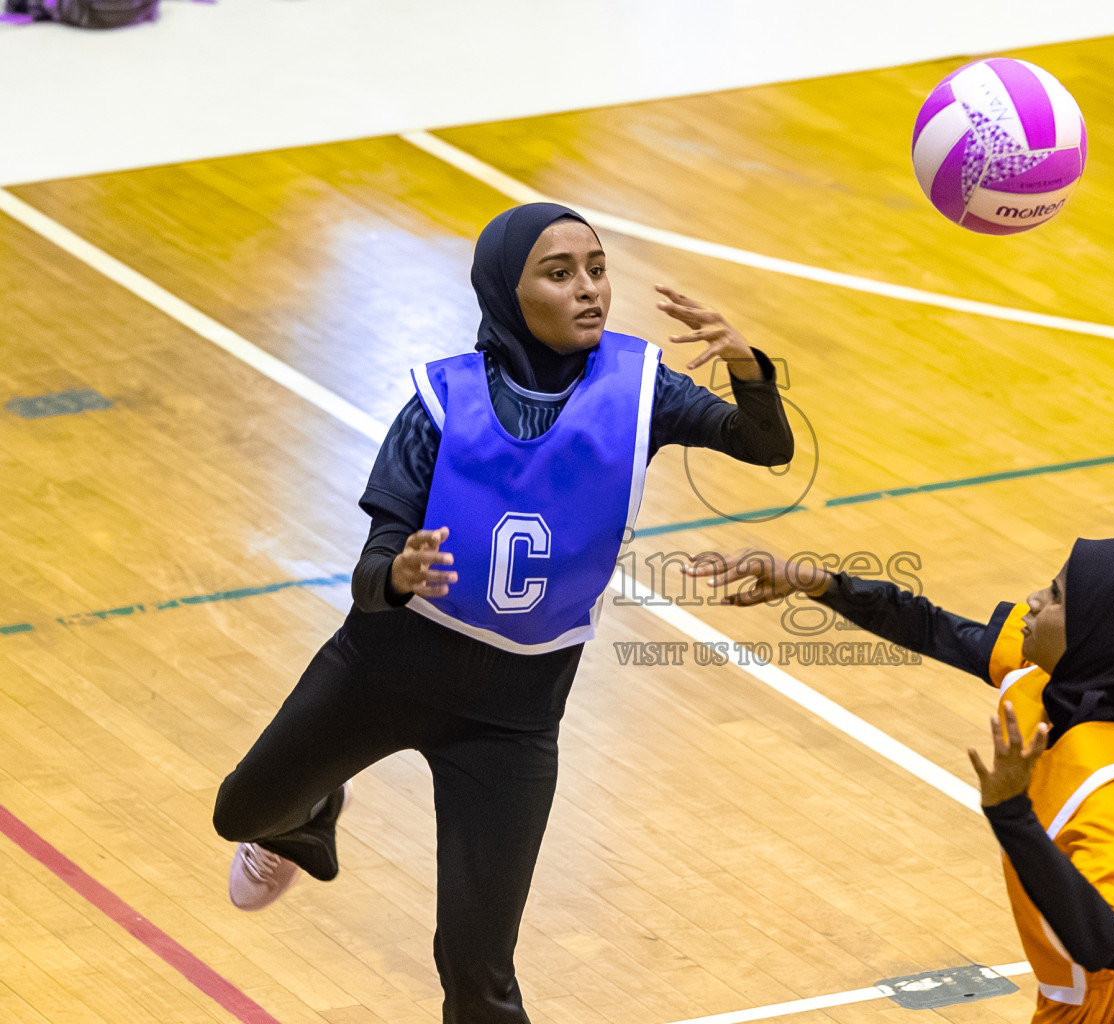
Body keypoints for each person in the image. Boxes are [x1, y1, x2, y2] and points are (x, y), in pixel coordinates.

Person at [212, 202, 794, 1024]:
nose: (589, 289)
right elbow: (369, 572)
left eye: (596, 268)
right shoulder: (439, 403)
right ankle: (307, 819)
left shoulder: (639, 388)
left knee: (477, 971)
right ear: (505, 293)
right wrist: (399, 574)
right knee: (240, 810)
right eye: (559, 274)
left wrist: (748, 368)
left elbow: (765, 445)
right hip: (380, 673)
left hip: (514, 722)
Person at [689, 539, 1114, 1022]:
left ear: (1095, 636)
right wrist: (822, 584)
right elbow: (938, 630)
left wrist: (1012, 815)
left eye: (1057, 596)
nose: (1033, 600)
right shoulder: (1094, 680)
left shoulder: (1110, 793)